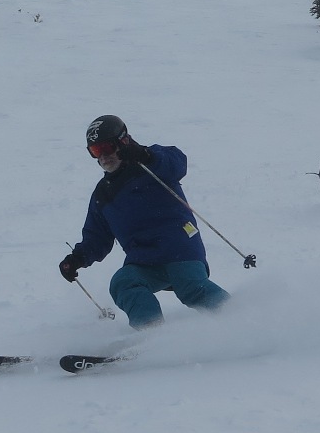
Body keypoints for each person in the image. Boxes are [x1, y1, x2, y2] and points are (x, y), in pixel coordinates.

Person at [58, 114, 229, 328]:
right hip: (145, 260)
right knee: (123, 282)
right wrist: (77, 258)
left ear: (123, 141)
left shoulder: (150, 163)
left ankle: (238, 316)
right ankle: (151, 332)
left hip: (179, 247)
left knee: (190, 287)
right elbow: (97, 236)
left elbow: (178, 163)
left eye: (107, 147)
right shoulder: (104, 194)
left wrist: (145, 155)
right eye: (95, 151)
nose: (103, 156)